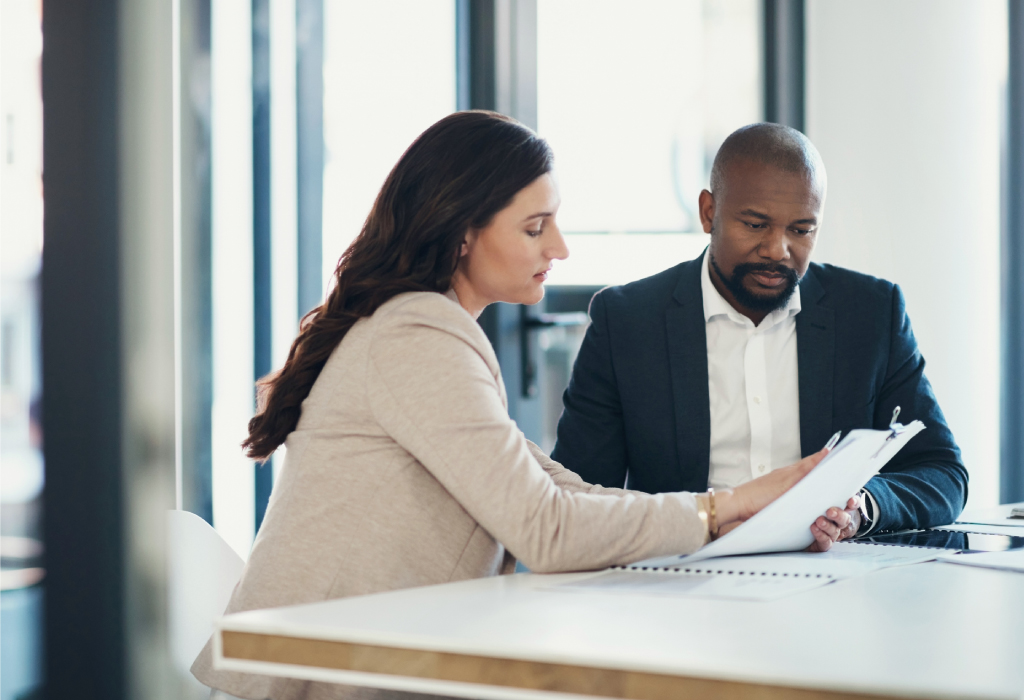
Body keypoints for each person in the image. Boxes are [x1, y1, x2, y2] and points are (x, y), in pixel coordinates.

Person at [192, 112, 838, 700]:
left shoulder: (427, 330)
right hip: (311, 687)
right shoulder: (417, 334)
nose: (558, 248)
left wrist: (734, 513)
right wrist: (714, 509)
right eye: (535, 227)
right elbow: (547, 530)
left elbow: (565, 491)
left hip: (360, 673)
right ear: (462, 233)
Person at [551, 123, 968, 541]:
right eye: (755, 225)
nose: (777, 250)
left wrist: (861, 506)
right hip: (678, 579)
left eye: (801, 230)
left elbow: (942, 473)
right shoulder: (627, 321)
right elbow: (576, 499)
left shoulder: (871, 314)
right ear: (709, 212)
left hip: (833, 583)